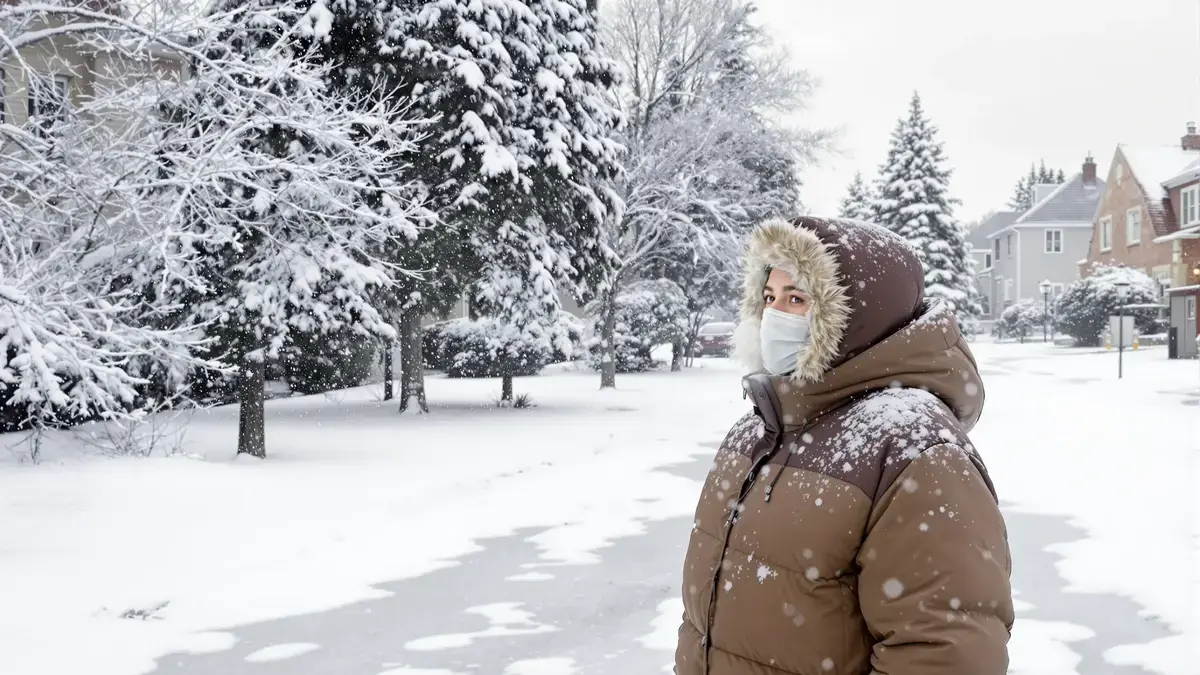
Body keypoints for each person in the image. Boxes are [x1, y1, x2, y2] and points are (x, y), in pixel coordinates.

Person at [674, 216, 1013, 675]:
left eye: (797, 299)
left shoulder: (914, 449)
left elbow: (943, 651)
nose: (775, 315)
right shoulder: (759, 428)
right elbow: (706, 618)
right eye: (769, 298)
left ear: (856, 316)